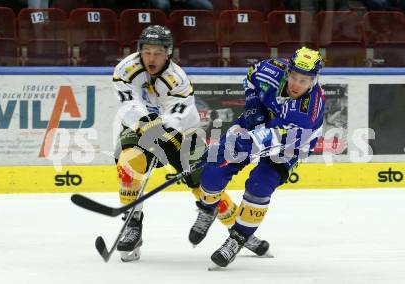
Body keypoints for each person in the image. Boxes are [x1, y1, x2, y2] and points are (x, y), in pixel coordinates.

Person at [111, 25, 269, 262]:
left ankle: (239, 231)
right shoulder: (125, 69)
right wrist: (146, 124)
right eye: (146, 51)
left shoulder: (178, 80)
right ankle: (133, 225)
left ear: (168, 53)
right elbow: (128, 104)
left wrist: (162, 132)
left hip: (182, 131)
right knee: (128, 163)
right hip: (139, 125)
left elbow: (177, 116)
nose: (151, 58)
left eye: (157, 52)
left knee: (204, 186)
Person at [188, 47, 326, 268]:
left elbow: (280, 138)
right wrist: (253, 105)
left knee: (259, 186)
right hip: (256, 124)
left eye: (303, 80)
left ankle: (237, 239)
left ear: (313, 80)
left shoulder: (308, 110)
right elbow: (251, 75)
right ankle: (208, 208)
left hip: (291, 145)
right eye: (293, 76)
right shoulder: (271, 69)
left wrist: (249, 140)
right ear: (287, 70)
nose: (296, 84)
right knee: (211, 174)